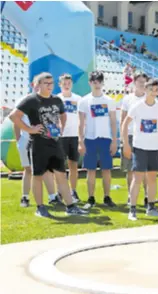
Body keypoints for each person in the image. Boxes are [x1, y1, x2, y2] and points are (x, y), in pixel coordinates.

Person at [9, 72, 87, 217]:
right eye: (46, 83)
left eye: (51, 83)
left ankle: (70, 206)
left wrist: (61, 128)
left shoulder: (57, 100)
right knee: (37, 176)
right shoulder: (31, 100)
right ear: (38, 85)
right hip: (38, 144)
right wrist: (29, 129)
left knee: (61, 175)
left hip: (55, 143)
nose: (50, 86)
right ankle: (40, 207)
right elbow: (13, 116)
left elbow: (63, 115)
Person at [122, 79, 158, 220]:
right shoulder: (137, 106)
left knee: (152, 178)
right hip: (139, 147)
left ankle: (151, 206)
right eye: (152, 90)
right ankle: (133, 209)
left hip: (154, 147)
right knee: (137, 178)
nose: (154, 92)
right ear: (146, 90)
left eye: (156, 90)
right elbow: (125, 124)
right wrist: (125, 143)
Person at [14, 78, 61, 207]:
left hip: (43, 141)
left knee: (47, 169)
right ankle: (25, 197)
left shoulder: (48, 101)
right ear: (33, 85)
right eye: (37, 84)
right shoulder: (24, 101)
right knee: (28, 169)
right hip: (27, 140)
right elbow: (15, 121)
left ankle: (53, 196)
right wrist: (19, 139)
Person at [78, 71, 118, 208]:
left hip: (106, 139)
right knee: (91, 170)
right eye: (94, 82)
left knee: (106, 169)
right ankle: (91, 198)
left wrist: (114, 140)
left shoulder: (109, 101)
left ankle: (107, 197)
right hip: (90, 139)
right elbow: (81, 123)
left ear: (102, 83)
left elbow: (113, 122)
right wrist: (80, 141)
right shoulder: (84, 101)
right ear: (90, 83)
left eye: (99, 82)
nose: (97, 84)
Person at [120, 73, 150, 207]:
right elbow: (122, 120)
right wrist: (123, 140)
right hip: (131, 136)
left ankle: (147, 196)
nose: (142, 85)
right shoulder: (127, 99)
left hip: (145, 136)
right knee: (130, 169)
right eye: (140, 82)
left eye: (144, 82)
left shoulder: (150, 98)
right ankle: (130, 196)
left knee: (145, 169)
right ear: (134, 83)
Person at [57, 74, 82, 203]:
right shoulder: (55, 99)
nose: (67, 86)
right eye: (64, 83)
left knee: (73, 165)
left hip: (74, 136)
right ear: (59, 85)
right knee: (59, 166)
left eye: (69, 83)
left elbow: (82, 119)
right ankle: (60, 191)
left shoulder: (78, 99)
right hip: (60, 137)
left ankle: (73, 191)